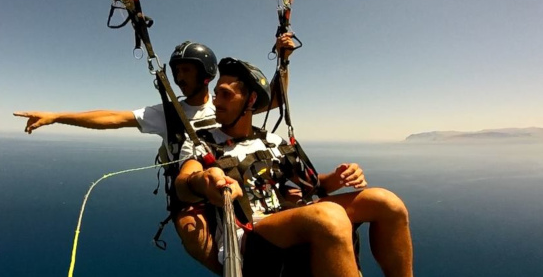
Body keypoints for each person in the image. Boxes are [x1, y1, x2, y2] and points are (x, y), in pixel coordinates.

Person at [14, 38, 294, 273]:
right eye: (177, 71)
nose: (180, 78)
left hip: (234, 183)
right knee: (196, 236)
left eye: (186, 70)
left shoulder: (226, 105)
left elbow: (273, 99)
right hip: (193, 188)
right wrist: (56, 116)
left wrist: (283, 61)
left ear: (206, 74)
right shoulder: (167, 113)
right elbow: (112, 117)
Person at [175, 57, 414, 277]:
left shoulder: (273, 142)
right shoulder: (202, 143)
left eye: (226, 95)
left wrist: (339, 177)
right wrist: (205, 181)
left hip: (289, 217)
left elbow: (314, 185)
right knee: (329, 217)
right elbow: (184, 182)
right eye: (216, 94)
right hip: (250, 233)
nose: (216, 101)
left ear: (251, 100)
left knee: (387, 203)